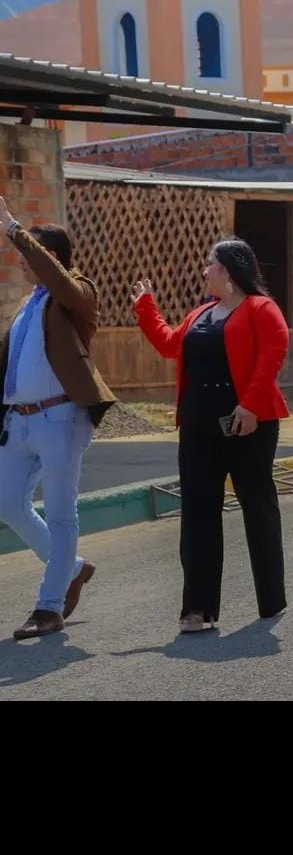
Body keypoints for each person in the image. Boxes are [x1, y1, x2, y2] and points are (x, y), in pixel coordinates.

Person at [132, 238, 290, 633]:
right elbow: (169, 344)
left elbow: (273, 354)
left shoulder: (261, 308)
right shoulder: (201, 313)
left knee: (258, 508)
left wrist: (250, 405)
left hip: (247, 424)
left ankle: (271, 599)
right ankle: (197, 608)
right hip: (198, 427)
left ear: (230, 272)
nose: (205, 271)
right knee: (198, 515)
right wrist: (146, 308)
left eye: (210, 265)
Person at [0, 197, 115, 640]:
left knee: (62, 512)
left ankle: (49, 607)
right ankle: (74, 568)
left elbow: (59, 281)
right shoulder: (28, 304)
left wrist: (13, 228)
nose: (20, 259)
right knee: (8, 503)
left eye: (27, 251)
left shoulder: (78, 294)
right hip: (19, 422)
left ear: (49, 257)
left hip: (60, 417)